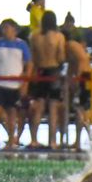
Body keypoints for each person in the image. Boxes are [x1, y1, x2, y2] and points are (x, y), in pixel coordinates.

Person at [0, 19, 31, 150]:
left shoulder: (22, 45)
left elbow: (29, 63)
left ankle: (11, 141)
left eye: (7, 28)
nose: (5, 30)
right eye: (3, 28)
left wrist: (25, 81)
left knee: (12, 113)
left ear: (14, 30)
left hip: (14, 85)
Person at [28, 10, 67, 149]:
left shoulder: (34, 36)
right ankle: (53, 141)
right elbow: (61, 57)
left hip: (40, 71)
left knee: (38, 106)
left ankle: (33, 139)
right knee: (53, 108)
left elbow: (33, 57)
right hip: (53, 71)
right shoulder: (58, 36)